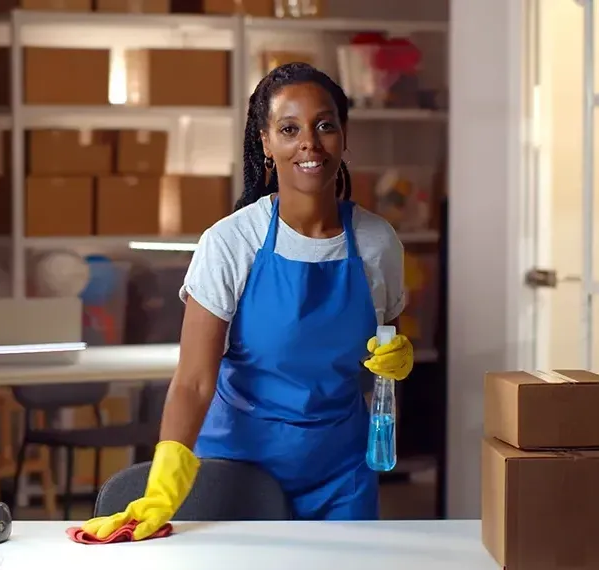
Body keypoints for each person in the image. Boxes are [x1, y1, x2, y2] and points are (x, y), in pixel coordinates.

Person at [81, 62, 414, 541]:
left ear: (343, 136)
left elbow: (383, 350)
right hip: (238, 477)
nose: (310, 143)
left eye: (325, 126)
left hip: (341, 475)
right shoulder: (232, 243)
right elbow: (194, 382)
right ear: (265, 142)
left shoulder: (378, 242)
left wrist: (394, 360)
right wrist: (163, 483)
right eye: (289, 129)